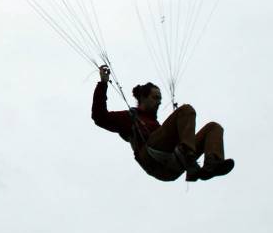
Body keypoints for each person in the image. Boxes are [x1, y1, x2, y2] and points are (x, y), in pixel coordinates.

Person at [91, 65, 235, 182]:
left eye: (160, 99)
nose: (159, 102)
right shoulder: (131, 117)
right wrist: (103, 83)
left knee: (214, 127)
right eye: (155, 97)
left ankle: (211, 164)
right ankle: (188, 157)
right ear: (143, 97)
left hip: (170, 169)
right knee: (186, 110)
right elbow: (99, 117)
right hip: (151, 157)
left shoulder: (156, 125)